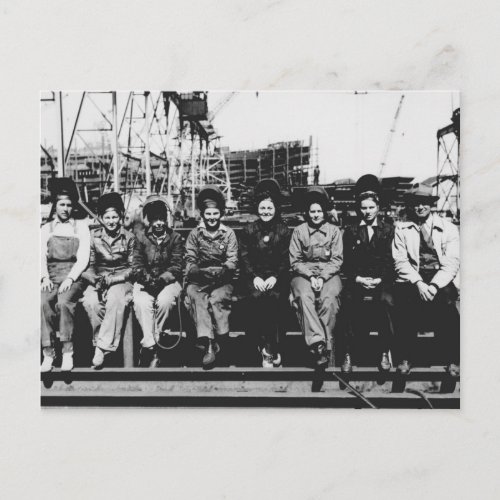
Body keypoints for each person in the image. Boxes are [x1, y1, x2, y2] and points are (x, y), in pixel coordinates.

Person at [392, 183, 460, 376]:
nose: (420, 207)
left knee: (448, 303)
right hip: (413, 278)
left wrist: (434, 285)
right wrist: (419, 283)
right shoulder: (402, 228)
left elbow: (452, 263)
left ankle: (452, 360)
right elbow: (400, 261)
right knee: (405, 303)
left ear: (431, 204)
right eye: (415, 203)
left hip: (440, 278)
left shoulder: (448, 228)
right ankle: (405, 359)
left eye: (424, 203)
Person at [341, 174, 395, 373]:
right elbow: (346, 262)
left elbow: (391, 259)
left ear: (378, 208)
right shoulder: (351, 231)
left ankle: (384, 351)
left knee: (385, 301)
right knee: (347, 301)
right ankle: (348, 353)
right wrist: (358, 278)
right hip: (358, 280)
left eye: (371, 207)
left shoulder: (388, 230)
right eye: (364, 208)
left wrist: (380, 278)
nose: (367, 212)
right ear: (359, 209)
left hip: (382, 280)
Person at [184, 185, 238, 369]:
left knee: (217, 298)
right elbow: (190, 262)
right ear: (202, 214)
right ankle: (208, 344)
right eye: (208, 214)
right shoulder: (195, 235)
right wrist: (200, 272)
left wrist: (222, 273)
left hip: (223, 280)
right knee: (196, 296)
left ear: (220, 213)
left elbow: (232, 261)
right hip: (200, 280)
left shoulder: (228, 234)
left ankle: (223, 342)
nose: (212, 218)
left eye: (215, 213)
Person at [239, 179, 291, 367]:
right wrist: (255, 278)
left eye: (269, 208)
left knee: (276, 299)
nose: (266, 212)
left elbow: (286, 259)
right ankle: (263, 348)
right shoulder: (249, 230)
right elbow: (244, 258)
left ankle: (273, 346)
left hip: (277, 278)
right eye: (262, 208)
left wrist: (274, 277)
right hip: (254, 279)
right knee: (256, 298)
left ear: (275, 208)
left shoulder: (284, 231)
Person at [289, 186, 343, 367]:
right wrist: (311, 277)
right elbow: (295, 261)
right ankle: (317, 344)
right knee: (304, 297)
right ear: (307, 212)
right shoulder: (299, 231)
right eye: (312, 211)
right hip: (303, 274)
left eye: (319, 211)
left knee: (330, 298)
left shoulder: (334, 231)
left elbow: (337, 260)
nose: (316, 215)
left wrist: (322, 277)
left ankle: (328, 348)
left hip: (329, 273)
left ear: (324, 212)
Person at [40, 178, 90, 372]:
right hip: (51, 275)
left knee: (64, 302)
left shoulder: (81, 227)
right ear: (56, 205)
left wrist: (70, 278)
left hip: (72, 276)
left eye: (69, 205)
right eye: (61, 204)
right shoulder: (46, 229)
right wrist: (44, 277)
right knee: (43, 302)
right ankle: (48, 353)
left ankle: (67, 351)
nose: (65, 208)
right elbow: (40, 256)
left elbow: (83, 258)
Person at [81, 192, 136, 369]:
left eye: (115, 217)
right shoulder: (93, 236)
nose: (111, 221)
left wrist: (114, 279)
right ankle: (102, 345)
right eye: (107, 217)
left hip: (121, 279)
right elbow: (88, 264)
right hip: (99, 278)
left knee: (114, 298)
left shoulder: (129, 237)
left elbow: (133, 267)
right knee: (91, 302)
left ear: (120, 217)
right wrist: (95, 280)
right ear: (101, 218)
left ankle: (101, 348)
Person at [133, 195, 183, 367]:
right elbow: (137, 264)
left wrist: (162, 280)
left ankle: (153, 342)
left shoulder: (175, 238)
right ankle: (152, 347)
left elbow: (177, 265)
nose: (159, 224)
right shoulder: (140, 238)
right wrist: (147, 279)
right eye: (155, 220)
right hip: (146, 282)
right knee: (141, 302)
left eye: (162, 219)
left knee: (165, 301)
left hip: (168, 282)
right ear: (149, 220)